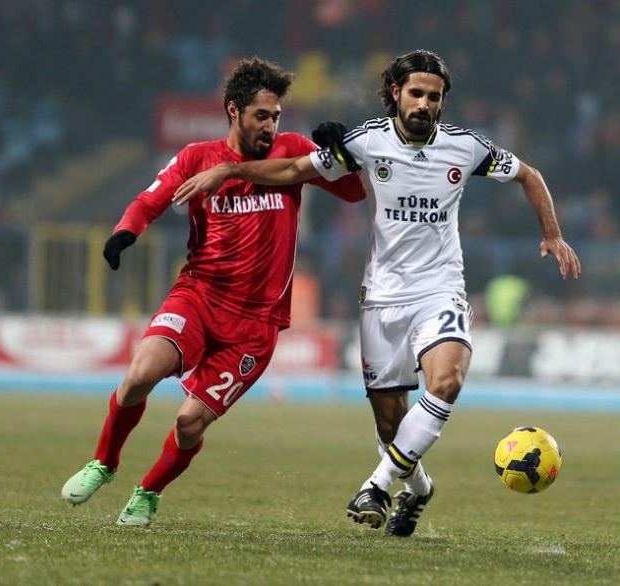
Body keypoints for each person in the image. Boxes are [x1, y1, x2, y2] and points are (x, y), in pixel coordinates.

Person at [171, 50, 582, 537]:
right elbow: (294, 171)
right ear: (396, 93)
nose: (425, 104)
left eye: (434, 97)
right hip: (383, 298)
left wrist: (552, 234)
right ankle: (419, 489)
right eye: (417, 94)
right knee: (391, 426)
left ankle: (377, 486)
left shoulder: (465, 147)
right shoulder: (367, 142)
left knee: (447, 381)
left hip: (441, 290)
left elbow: (529, 175)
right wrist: (230, 171)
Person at [60, 57, 365, 528]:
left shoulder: (291, 150)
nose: (270, 126)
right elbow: (149, 200)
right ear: (233, 111)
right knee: (139, 375)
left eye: (276, 117)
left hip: (255, 326)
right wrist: (125, 231)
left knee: (189, 424)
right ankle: (104, 462)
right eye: (261, 116)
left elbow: (354, 193)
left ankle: (148, 492)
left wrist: (338, 152)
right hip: (198, 296)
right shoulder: (196, 158)